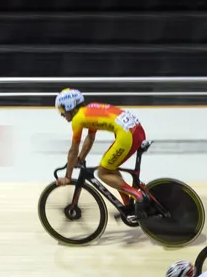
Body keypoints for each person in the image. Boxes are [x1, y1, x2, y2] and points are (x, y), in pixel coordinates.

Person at [52, 88, 152, 220]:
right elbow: (90, 138)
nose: (62, 114)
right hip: (136, 131)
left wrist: (68, 176)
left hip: (127, 136)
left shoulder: (78, 119)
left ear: (69, 106)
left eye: (62, 110)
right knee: (111, 167)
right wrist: (81, 159)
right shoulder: (89, 110)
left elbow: (73, 149)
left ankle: (138, 196)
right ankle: (128, 206)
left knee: (103, 172)